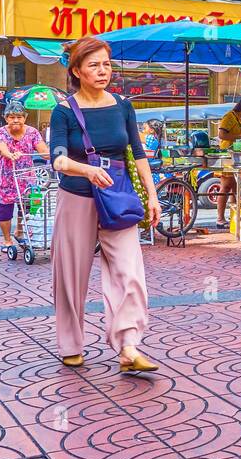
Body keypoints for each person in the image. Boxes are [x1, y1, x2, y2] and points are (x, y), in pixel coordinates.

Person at [49, 36, 163, 375]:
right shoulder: (64, 111)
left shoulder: (123, 105)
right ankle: (71, 344)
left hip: (118, 198)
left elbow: (138, 155)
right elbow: (56, 159)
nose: (103, 71)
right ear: (77, 71)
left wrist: (152, 195)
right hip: (77, 197)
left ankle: (128, 347)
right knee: (71, 276)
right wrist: (87, 170)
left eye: (107, 65)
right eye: (94, 65)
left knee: (130, 272)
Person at [0, 102, 49, 256]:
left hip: (25, 174)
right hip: (4, 174)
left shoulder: (32, 132)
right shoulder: (1, 132)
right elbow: (1, 147)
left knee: (29, 204)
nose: (16, 120)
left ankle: (20, 231)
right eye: (12, 117)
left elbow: (43, 150)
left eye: (19, 117)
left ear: (25, 118)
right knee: (4, 208)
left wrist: (53, 155)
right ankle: (7, 240)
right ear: (6, 118)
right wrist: (10, 154)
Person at [215, 95, 241, 226]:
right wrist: (237, 136)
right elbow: (221, 134)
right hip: (227, 155)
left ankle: (236, 217)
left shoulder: (240, 118)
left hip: (237, 156)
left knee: (235, 187)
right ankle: (220, 219)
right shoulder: (230, 117)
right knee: (226, 186)